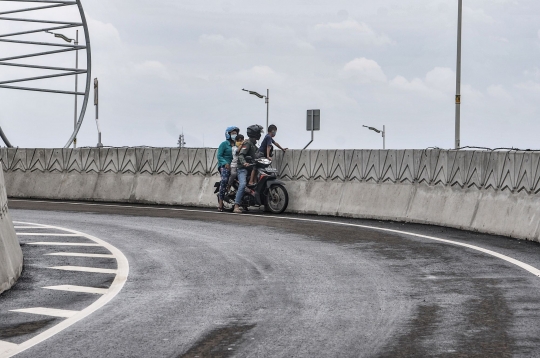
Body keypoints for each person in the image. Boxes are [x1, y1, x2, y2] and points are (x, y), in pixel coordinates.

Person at [234, 124, 263, 214]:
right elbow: (241, 155)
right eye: (258, 133)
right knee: (242, 184)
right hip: (243, 168)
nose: (260, 135)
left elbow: (258, 154)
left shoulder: (254, 145)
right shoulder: (247, 143)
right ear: (254, 134)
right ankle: (236, 206)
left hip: (251, 168)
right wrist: (244, 163)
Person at [216, 126, 239, 212]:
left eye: (235, 133)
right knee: (224, 180)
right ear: (228, 134)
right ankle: (220, 203)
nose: (234, 135)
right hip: (224, 166)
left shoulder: (237, 144)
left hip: (235, 166)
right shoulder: (224, 144)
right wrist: (225, 163)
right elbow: (219, 156)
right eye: (233, 133)